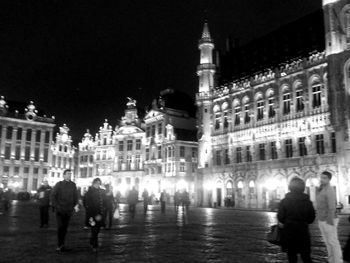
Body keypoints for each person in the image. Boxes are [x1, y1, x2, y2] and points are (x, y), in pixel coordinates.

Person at [277, 177, 315, 263]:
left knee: (292, 257)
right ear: (303, 187)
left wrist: (287, 221)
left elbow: (280, 218)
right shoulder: (307, 201)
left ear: (290, 187)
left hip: (289, 232)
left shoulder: (284, 201)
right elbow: (311, 218)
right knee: (306, 257)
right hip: (303, 232)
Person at [316, 171, 342, 263]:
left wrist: (330, 220)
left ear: (329, 179)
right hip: (321, 219)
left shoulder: (329, 190)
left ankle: (338, 261)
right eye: (321, 177)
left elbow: (332, 206)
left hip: (328, 219)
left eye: (324, 178)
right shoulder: (321, 189)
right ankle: (331, 260)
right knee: (327, 242)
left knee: (333, 242)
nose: (322, 179)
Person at [50, 169, 79, 253]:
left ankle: (62, 245)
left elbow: (75, 196)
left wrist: (76, 204)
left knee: (65, 228)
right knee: (60, 227)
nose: (70, 175)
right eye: (68, 174)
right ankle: (59, 245)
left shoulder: (73, 185)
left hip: (69, 210)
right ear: (64, 175)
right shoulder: (59, 184)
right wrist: (57, 206)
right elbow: (52, 196)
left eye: (70, 174)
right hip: (60, 210)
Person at [85, 178, 107, 252]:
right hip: (92, 215)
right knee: (94, 229)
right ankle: (95, 245)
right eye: (96, 183)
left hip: (99, 215)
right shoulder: (89, 192)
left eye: (99, 183)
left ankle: (92, 240)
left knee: (97, 229)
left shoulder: (101, 191)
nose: (98, 185)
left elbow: (104, 200)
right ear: (93, 183)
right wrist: (92, 213)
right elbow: (87, 204)